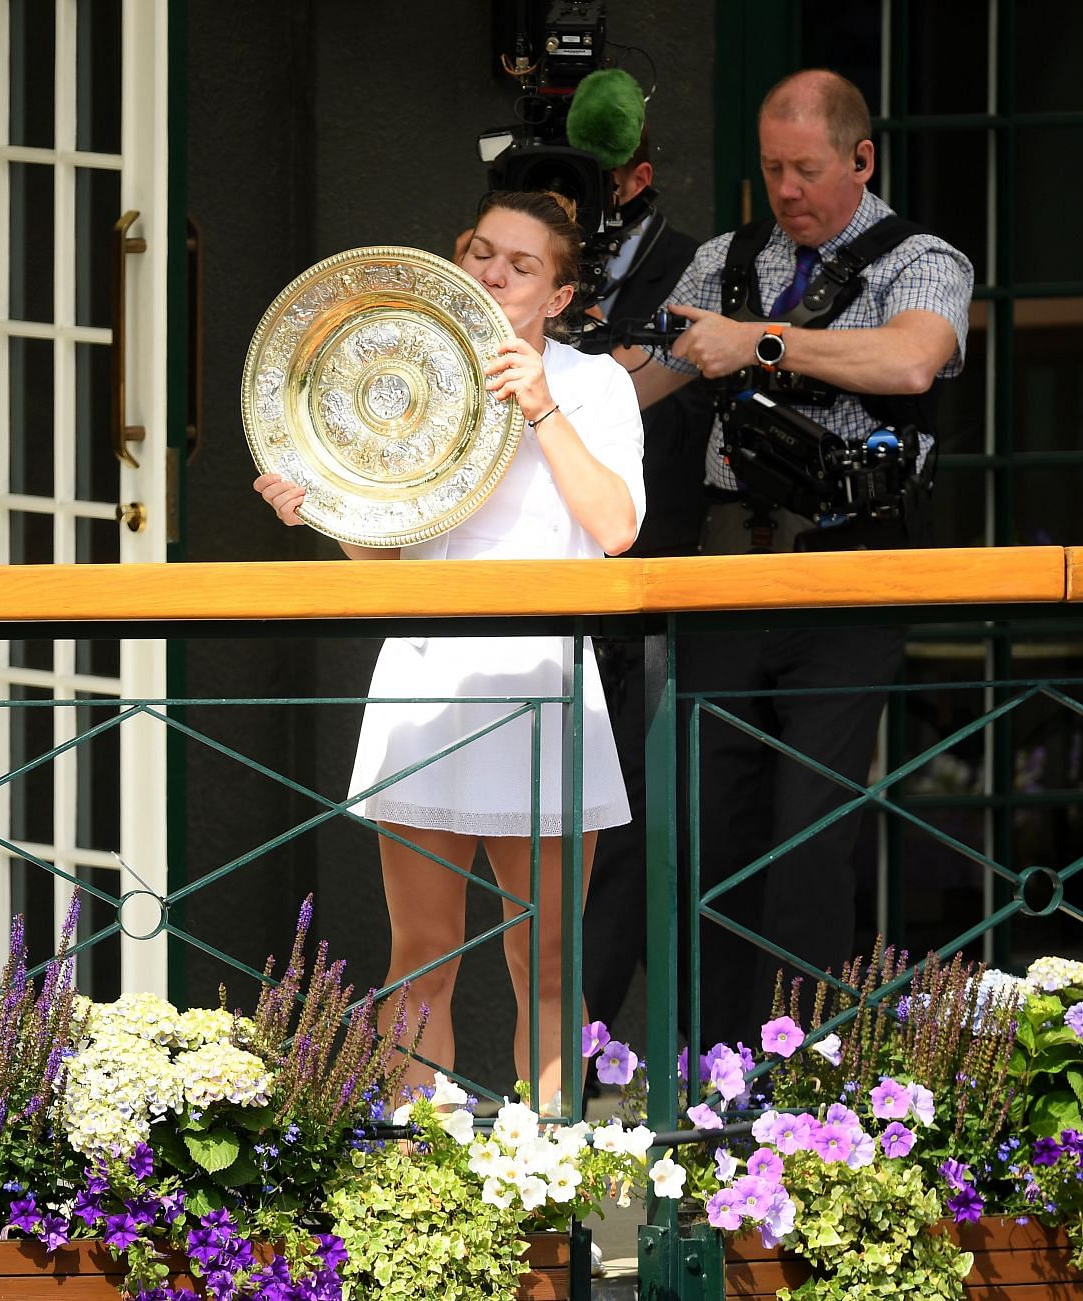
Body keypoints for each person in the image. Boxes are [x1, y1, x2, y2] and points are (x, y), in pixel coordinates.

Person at [254, 190, 646, 1109]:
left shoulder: (596, 385)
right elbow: (388, 556)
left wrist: (543, 405)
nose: (493, 274)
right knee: (421, 951)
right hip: (429, 670)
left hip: (544, 676)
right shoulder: (400, 366)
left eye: (522, 266)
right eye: (480, 252)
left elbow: (617, 528)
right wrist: (322, 509)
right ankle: (416, 1182)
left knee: (543, 955)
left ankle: (552, 1184)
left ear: (559, 295)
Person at [619, 68, 973, 1050]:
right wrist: (518, 371)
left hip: (846, 573)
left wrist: (762, 343)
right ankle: (705, 1085)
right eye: (773, 169)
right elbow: (639, 380)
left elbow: (910, 359)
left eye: (807, 170)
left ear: (861, 159)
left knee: (811, 840)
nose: (787, 190)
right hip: (727, 576)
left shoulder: (924, 259)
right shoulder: (730, 260)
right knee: (705, 837)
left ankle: (812, 1085)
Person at [553, 71, 719, 1043]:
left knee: (643, 832)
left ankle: (638, 1068)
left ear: (637, 176)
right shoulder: (525, 267)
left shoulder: (690, 269)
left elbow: (661, 394)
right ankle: (572, 1081)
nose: (571, 203)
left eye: (591, 181)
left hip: (654, 580)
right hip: (550, 596)